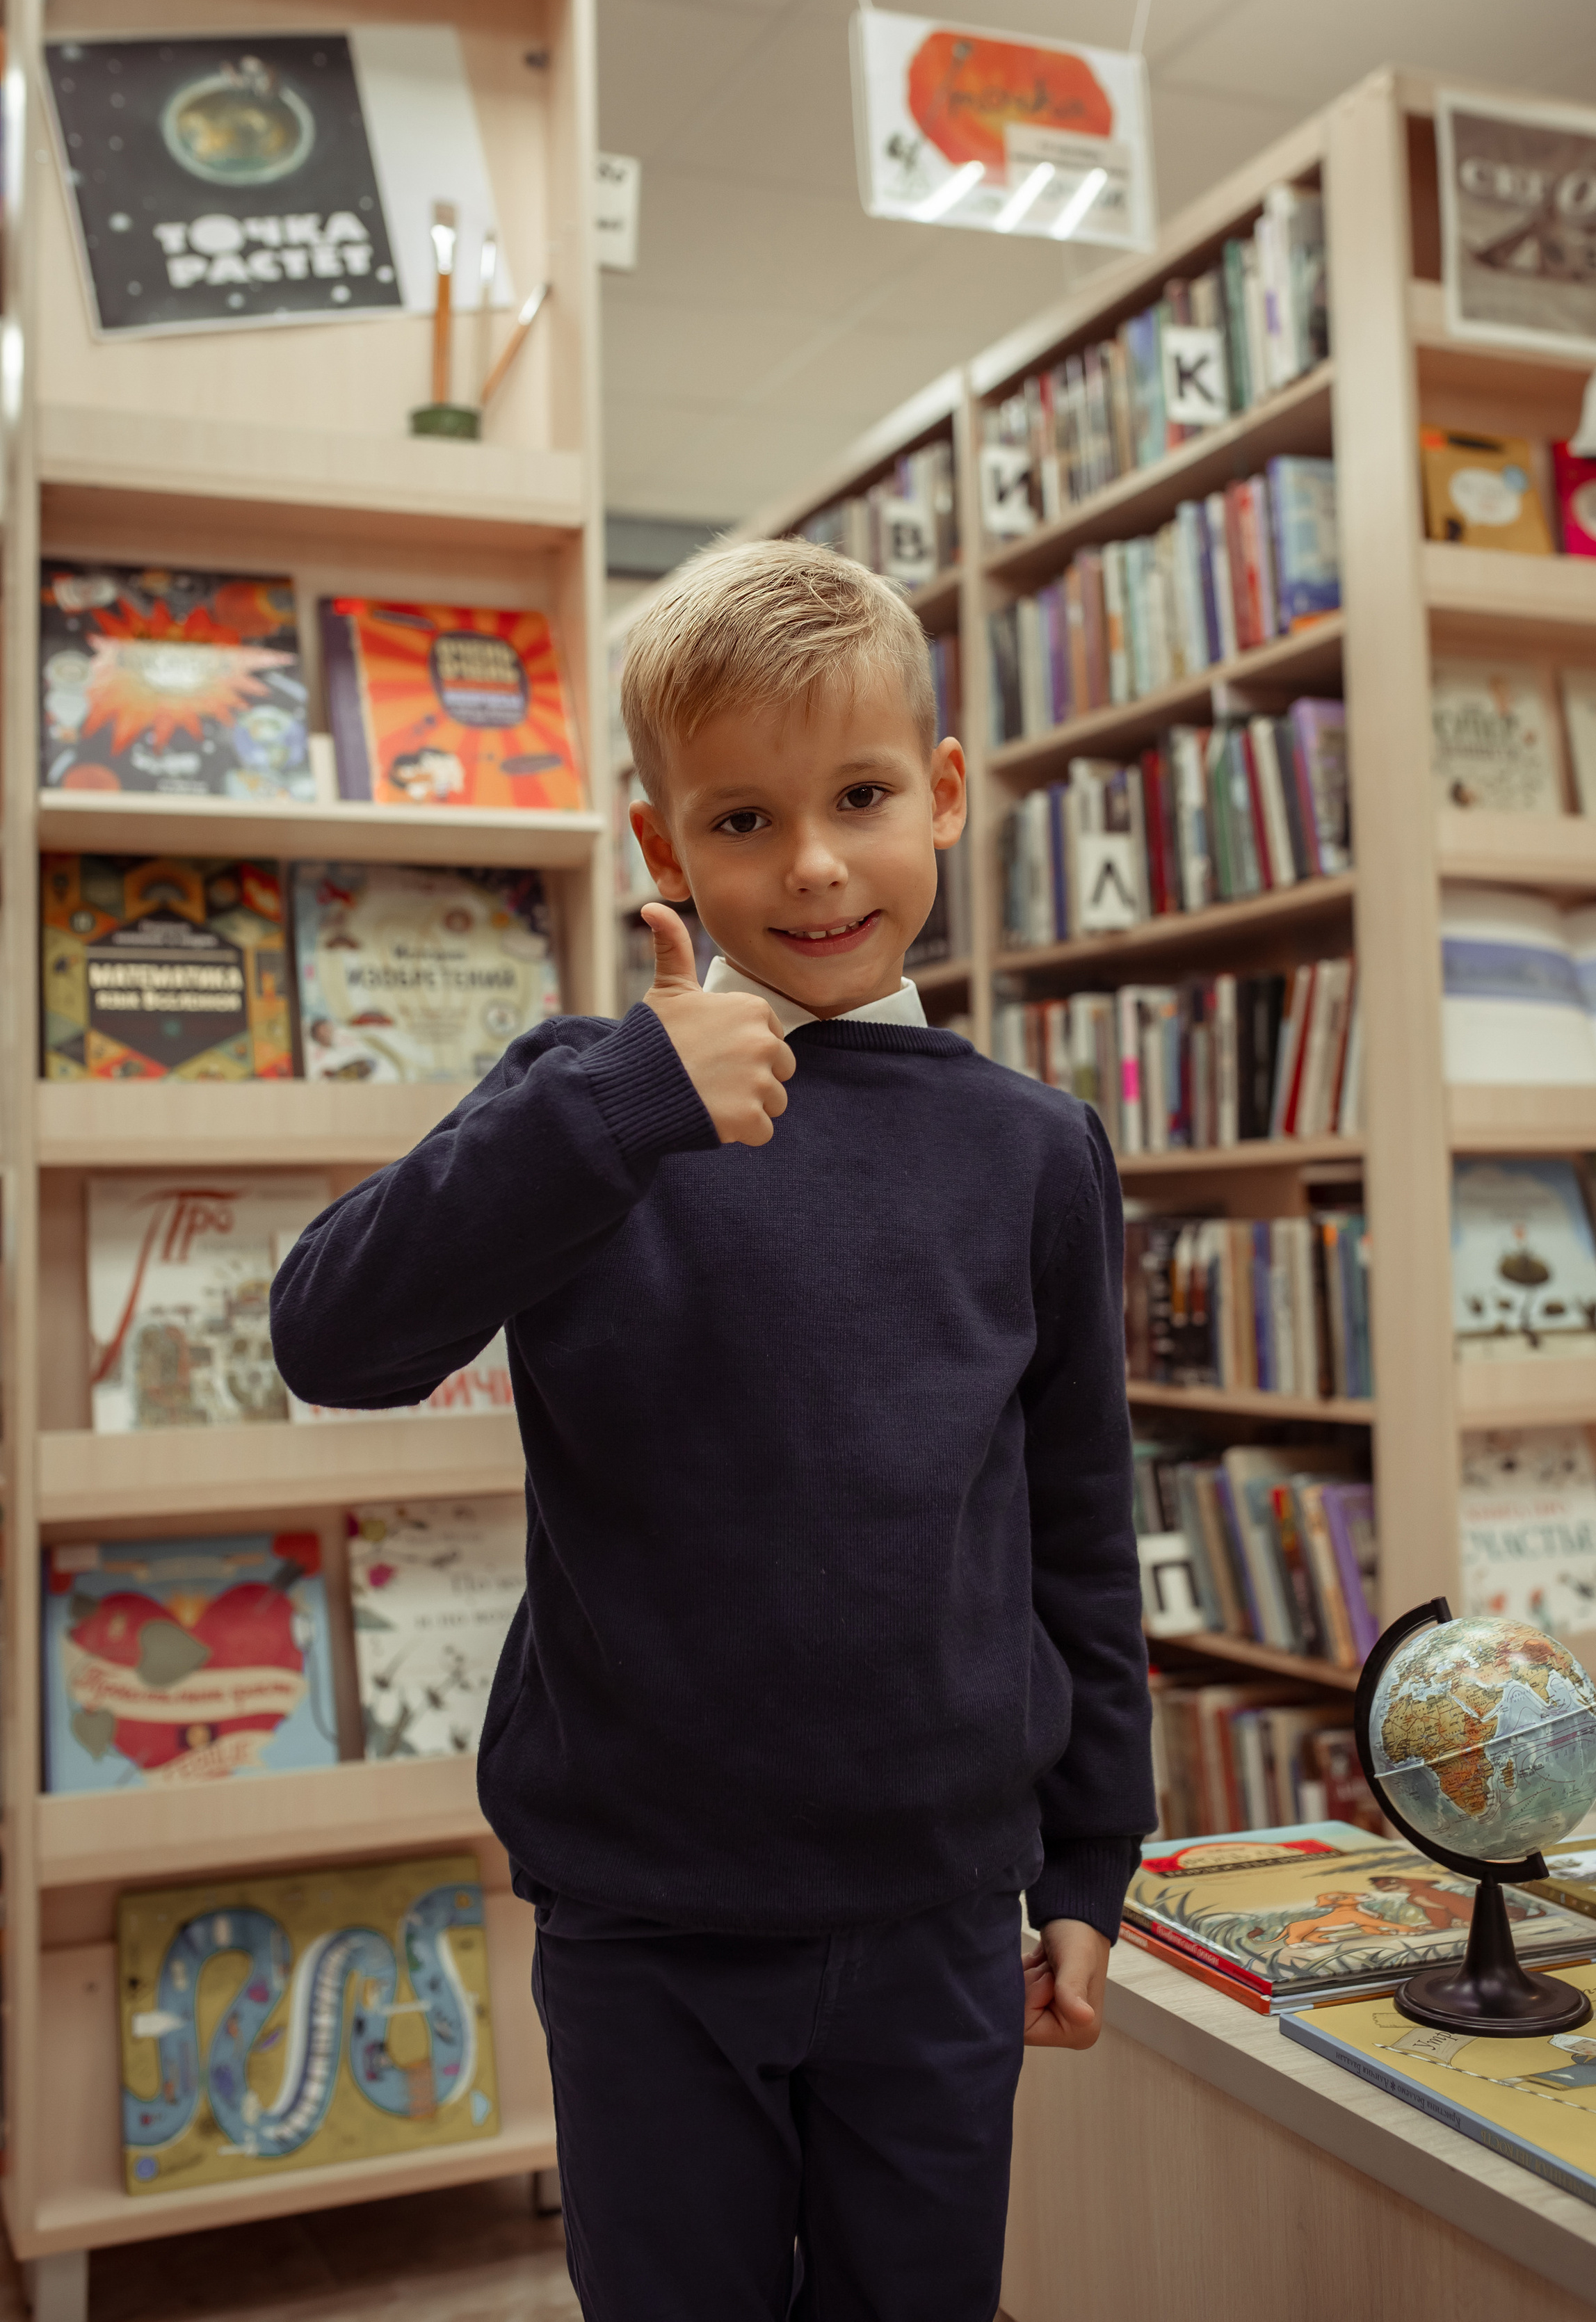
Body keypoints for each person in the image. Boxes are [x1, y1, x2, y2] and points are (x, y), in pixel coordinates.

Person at [271, 537, 1152, 2321]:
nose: (815, 865)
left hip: (936, 1916)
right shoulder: (581, 1104)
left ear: (947, 796)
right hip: (643, 1916)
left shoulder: (1033, 1148)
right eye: (740, 823)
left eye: (860, 797)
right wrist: (619, 1102)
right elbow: (332, 1338)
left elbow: (1073, 1522)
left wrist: (1088, 1859)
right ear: (658, 847)